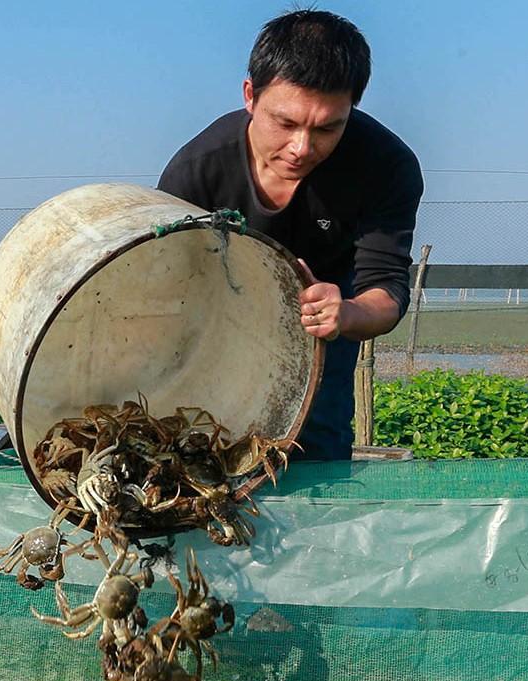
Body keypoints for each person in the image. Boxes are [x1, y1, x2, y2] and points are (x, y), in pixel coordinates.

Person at [157, 9, 423, 460]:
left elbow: (387, 291)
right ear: (250, 96)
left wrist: (347, 313)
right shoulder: (197, 171)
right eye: (285, 123)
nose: (302, 148)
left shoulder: (385, 166)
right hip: (220, 315)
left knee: (315, 443)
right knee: (200, 444)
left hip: (324, 317)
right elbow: (161, 283)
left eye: (327, 128)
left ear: (351, 109)